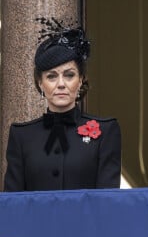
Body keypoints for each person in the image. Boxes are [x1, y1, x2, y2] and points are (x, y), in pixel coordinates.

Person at [4, 18, 121, 191]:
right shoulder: (21, 136)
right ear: (40, 83)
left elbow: (107, 202)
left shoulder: (106, 132)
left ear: (80, 80)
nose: (61, 84)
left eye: (69, 75)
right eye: (51, 76)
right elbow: (13, 204)